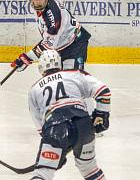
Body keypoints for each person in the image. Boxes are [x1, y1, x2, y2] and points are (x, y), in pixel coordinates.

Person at [27, 49, 110, 180]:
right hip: (84, 125)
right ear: (60, 64)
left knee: (43, 173)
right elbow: (103, 91)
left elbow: (41, 127)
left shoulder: (34, 89)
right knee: (89, 168)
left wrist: (58, 150)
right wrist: (102, 114)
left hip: (55, 128)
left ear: (41, 67)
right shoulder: (74, 74)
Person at [12, 0, 91, 71]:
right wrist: (27, 57)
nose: (37, 2)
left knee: (72, 76)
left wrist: (27, 58)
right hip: (62, 42)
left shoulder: (53, 18)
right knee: (61, 76)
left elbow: (48, 44)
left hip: (75, 43)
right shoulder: (48, 2)